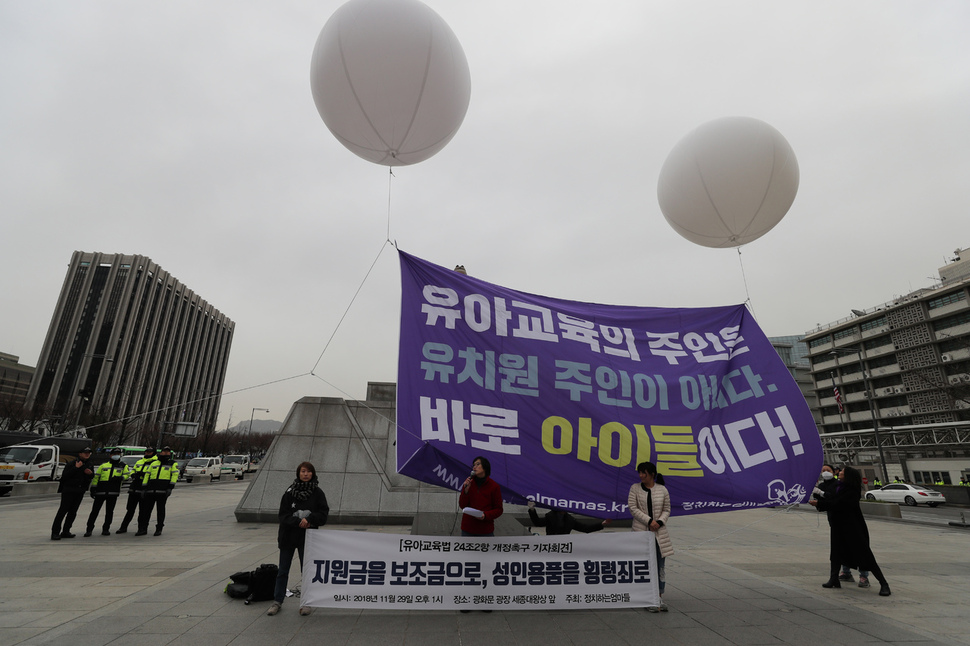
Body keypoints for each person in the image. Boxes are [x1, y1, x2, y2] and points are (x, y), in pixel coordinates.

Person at [810, 466, 891, 596]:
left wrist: (819, 504)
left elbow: (838, 504)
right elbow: (831, 500)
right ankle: (834, 579)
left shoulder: (852, 490)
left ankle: (884, 583)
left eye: (842, 471)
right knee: (836, 553)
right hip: (837, 525)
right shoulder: (838, 486)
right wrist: (818, 499)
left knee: (865, 554)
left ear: (848, 476)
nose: (839, 472)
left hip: (852, 526)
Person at [267, 461, 329, 617]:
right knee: (283, 570)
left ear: (313, 473)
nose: (306, 474)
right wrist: (298, 521)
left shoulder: (318, 493)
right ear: (298, 473)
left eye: (308, 471)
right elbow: (283, 515)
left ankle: (306, 602)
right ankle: (277, 601)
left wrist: (310, 519)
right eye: (303, 471)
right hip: (288, 537)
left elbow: (323, 514)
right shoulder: (289, 492)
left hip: (307, 538)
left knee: (306, 571)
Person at [813, 465, 871, 588]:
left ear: (835, 472)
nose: (825, 473)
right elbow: (824, 503)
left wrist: (821, 496)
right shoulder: (823, 485)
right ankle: (843, 573)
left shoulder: (841, 485)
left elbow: (835, 500)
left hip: (851, 523)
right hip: (835, 521)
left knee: (858, 548)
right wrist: (817, 499)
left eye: (827, 470)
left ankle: (864, 576)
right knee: (840, 549)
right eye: (823, 471)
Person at [628, 461, 673, 613]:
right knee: (645, 566)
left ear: (652, 474)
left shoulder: (662, 490)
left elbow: (667, 509)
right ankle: (648, 597)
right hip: (642, 532)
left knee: (660, 566)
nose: (641, 475)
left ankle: (659, 597)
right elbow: (633, 508)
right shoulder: (634, 488)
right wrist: (649, 521)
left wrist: (659, 522)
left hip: (659, 534)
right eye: (640, 473)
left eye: (644, 473)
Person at [51, 447, 95, 540]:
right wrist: (76, 468)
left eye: (89, 453)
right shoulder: (72, 463)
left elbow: (91, 476)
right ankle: (55, 532)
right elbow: (65, 476)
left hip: (80, 491)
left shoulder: (89, 464)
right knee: (62, 511)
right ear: (80, 454)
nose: (87, 454)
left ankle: (66, 531)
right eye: (85, 453)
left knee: (73, 512)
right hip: (69, 490)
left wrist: (90, 474)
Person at [84, 448, 130, 536]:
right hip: (100, 491)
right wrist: (93, 488)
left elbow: (127, 475)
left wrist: (121, 478)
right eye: (114, 454)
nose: (116, 455)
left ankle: (106, 529)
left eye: (118, 454)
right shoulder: (103, 466)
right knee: (94, 511)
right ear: (110, 455)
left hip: (113, 492)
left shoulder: (123, 466)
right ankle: (89, 529)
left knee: (109, 512)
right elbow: (96, 477)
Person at [136, 446, 179, 536]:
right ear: (161, 452)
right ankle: (143, 528)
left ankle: (159, 528)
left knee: (160, 510)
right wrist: (144, 487)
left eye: (168, 452)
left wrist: (170, 487)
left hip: (162, 491)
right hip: (150, 490)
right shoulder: (154, 463)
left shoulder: (172, 464)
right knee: (146, 511)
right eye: (164, 451)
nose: (166, 453)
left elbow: (174, 475)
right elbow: (147, 475)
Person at [458, 456, 503, 537]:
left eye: (477, 464)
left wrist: (485, 515)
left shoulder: (494, 486)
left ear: (485, 467)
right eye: (473, 465)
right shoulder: (469, 483)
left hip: (485, 530)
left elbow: (499, 509)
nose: (474, 467)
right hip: (468, 529)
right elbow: (462, 505)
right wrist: (465, 491)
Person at [117, 447, 158, 534]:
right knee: (130, 509)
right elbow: (133, 470)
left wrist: (143, 475)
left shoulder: (155, 463)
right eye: (146, 452)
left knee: (143, 510)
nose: (147, 453)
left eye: (149, 452)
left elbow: (153, 475)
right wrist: (133, 475)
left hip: (145, 488)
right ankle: (123, 527)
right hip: (134, 487)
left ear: (153, 453)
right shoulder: (139, 461)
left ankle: (142, 528)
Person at [527, 500, 611, 535]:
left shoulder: (570, 520)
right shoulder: (550, 516)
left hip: (565, 545)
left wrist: (601, 524)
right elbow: (538, 522)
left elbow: (585, 528)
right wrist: (532, 509)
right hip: (551, 544)